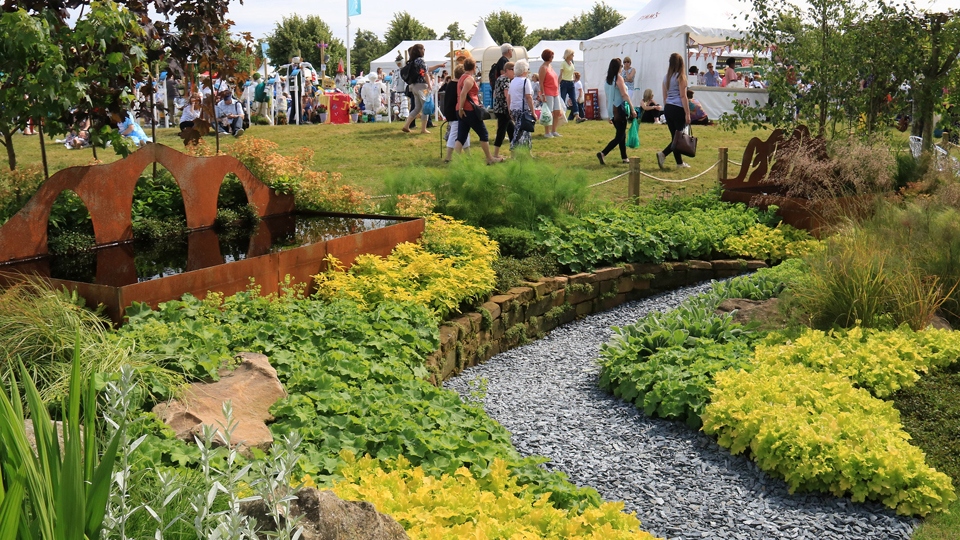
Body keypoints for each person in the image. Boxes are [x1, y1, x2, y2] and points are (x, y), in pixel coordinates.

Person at [454, 57, 503, 164]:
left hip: (461, 109)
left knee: (461, 136)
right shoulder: (469, 79)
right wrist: (462, 108)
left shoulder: (462, 77)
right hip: (469, 110)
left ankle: (455, 160)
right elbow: (463, 94)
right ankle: (490, 158)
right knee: (483, 134)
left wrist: (460, 109)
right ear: (474, 67)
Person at [596, 58, 636, 165]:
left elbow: (608, 97)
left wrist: (609, 114)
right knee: (620, 136)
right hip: (619, 109)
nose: (622, 68)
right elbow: (624, 95)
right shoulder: (618, 78)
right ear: (618, 67)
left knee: (621, 134)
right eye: (621, 66)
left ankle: (624, 157)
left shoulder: (608, 80)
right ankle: (603, 152)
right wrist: (632, 108)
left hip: (611, 109)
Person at [656, 52, 691, 169]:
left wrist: (667, 108)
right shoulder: (681, 77)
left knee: (674, 137)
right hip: (678, 107)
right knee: (678, 138)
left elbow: (664, 96)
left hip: (668, 107)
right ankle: (663, 154)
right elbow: (683, 96)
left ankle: (679, 163)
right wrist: (687, 113)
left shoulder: (666, 78)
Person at [401, 44, 433, 134]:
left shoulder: (413, 61)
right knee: (425, 108)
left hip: (414, 86)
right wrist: (429, 85)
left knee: (417, 108)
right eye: (423, 49)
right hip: (422, 86)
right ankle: (423, 129)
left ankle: (406, 125)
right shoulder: (421, 61)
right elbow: (426, 74)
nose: (424, 50)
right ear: (419, 50)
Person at [442, 65, 470, 162]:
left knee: (464, 133)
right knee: (454, 134)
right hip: (455, 114)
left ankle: (468, 154)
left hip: (450, 113)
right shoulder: (458, 85)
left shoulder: (450, 84)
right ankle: (448, 157)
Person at [508, 59, 535, 152]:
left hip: (514, 108)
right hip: (522, 109)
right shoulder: (525, 81)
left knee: (525, 131)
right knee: (520, 131)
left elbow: (509, 97)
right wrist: (533, 112)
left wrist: (509, 109)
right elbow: (528, 97)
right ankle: (513, 148)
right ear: (524, 70)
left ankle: (527, 152)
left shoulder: (513, 81)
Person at [492, 61, 516, 159]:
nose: (514, 72)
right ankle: (496, 154)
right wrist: (510, 110)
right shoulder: (506, 80)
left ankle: (514, 154)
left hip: (498, 108)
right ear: (507, 70)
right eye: (513, 70)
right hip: (504, 110)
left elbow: (494, 94)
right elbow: (507, 96)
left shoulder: (499, 78)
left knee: (512, 131)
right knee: (501, 132)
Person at [538, 49, 562, 138]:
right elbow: (541, 82)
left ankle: (554, 130)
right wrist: (543, 94)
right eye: (552, 56)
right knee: (549, 112)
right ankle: (547, 132)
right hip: (547, 92)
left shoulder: (550, 66)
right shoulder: (543, 68)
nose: (553, 57)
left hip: (555, 92)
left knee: (557, 111)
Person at [559, 49, 577, 122]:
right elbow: (561, 74)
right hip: (564, 82)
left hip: (571, 82)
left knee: (574, 99)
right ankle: (561, 115)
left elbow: (572, 73)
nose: (573, 56)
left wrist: (574, 80)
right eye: (572, 54)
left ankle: (577, 115)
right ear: (568, 55)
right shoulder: (563, 63)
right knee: (562, 99)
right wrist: (557, 83)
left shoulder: (572, 63)